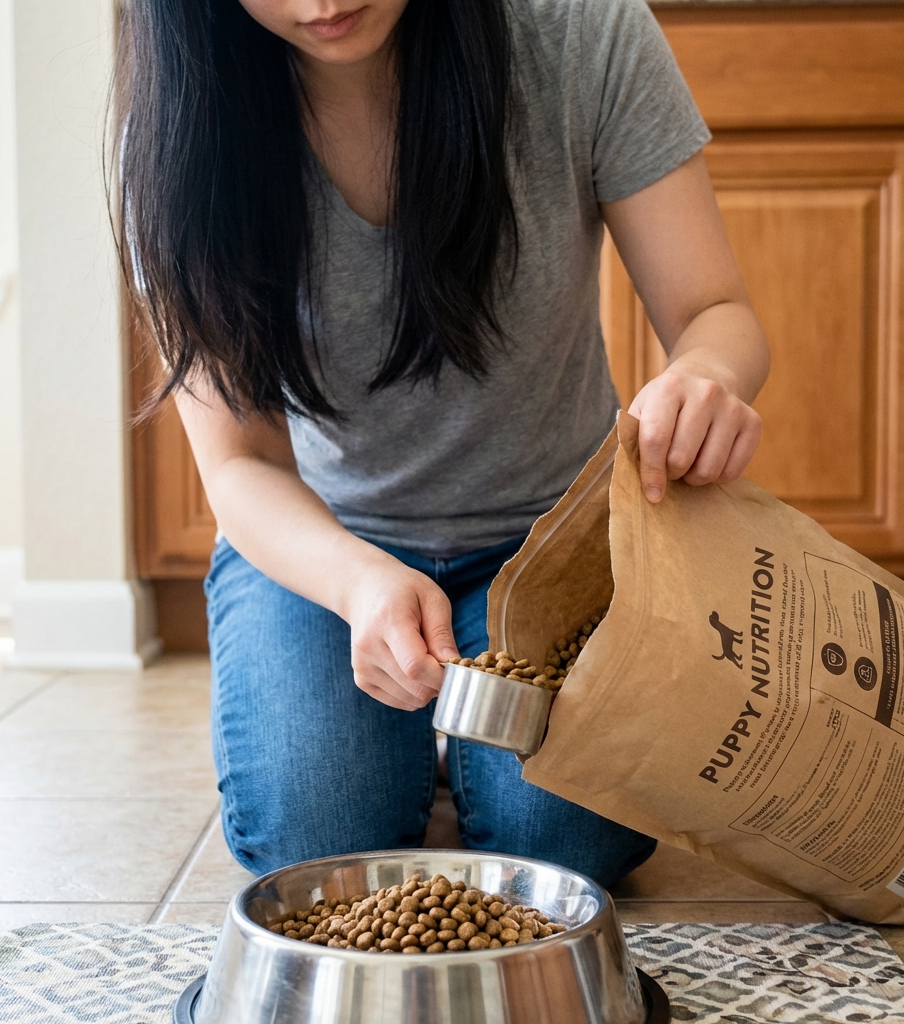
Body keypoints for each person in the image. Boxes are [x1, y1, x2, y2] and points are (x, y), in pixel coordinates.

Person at [116, 0, 769, 884]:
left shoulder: (583, 33)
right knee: (315, 842)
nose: (321, 3)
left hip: (554, 542)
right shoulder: (174, 131)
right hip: (330, 545)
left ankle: (460, 750)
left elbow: (712, 313)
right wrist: (358, 583)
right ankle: (432, 741)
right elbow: (241, 465)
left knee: (569, 847)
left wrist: (710, 377)